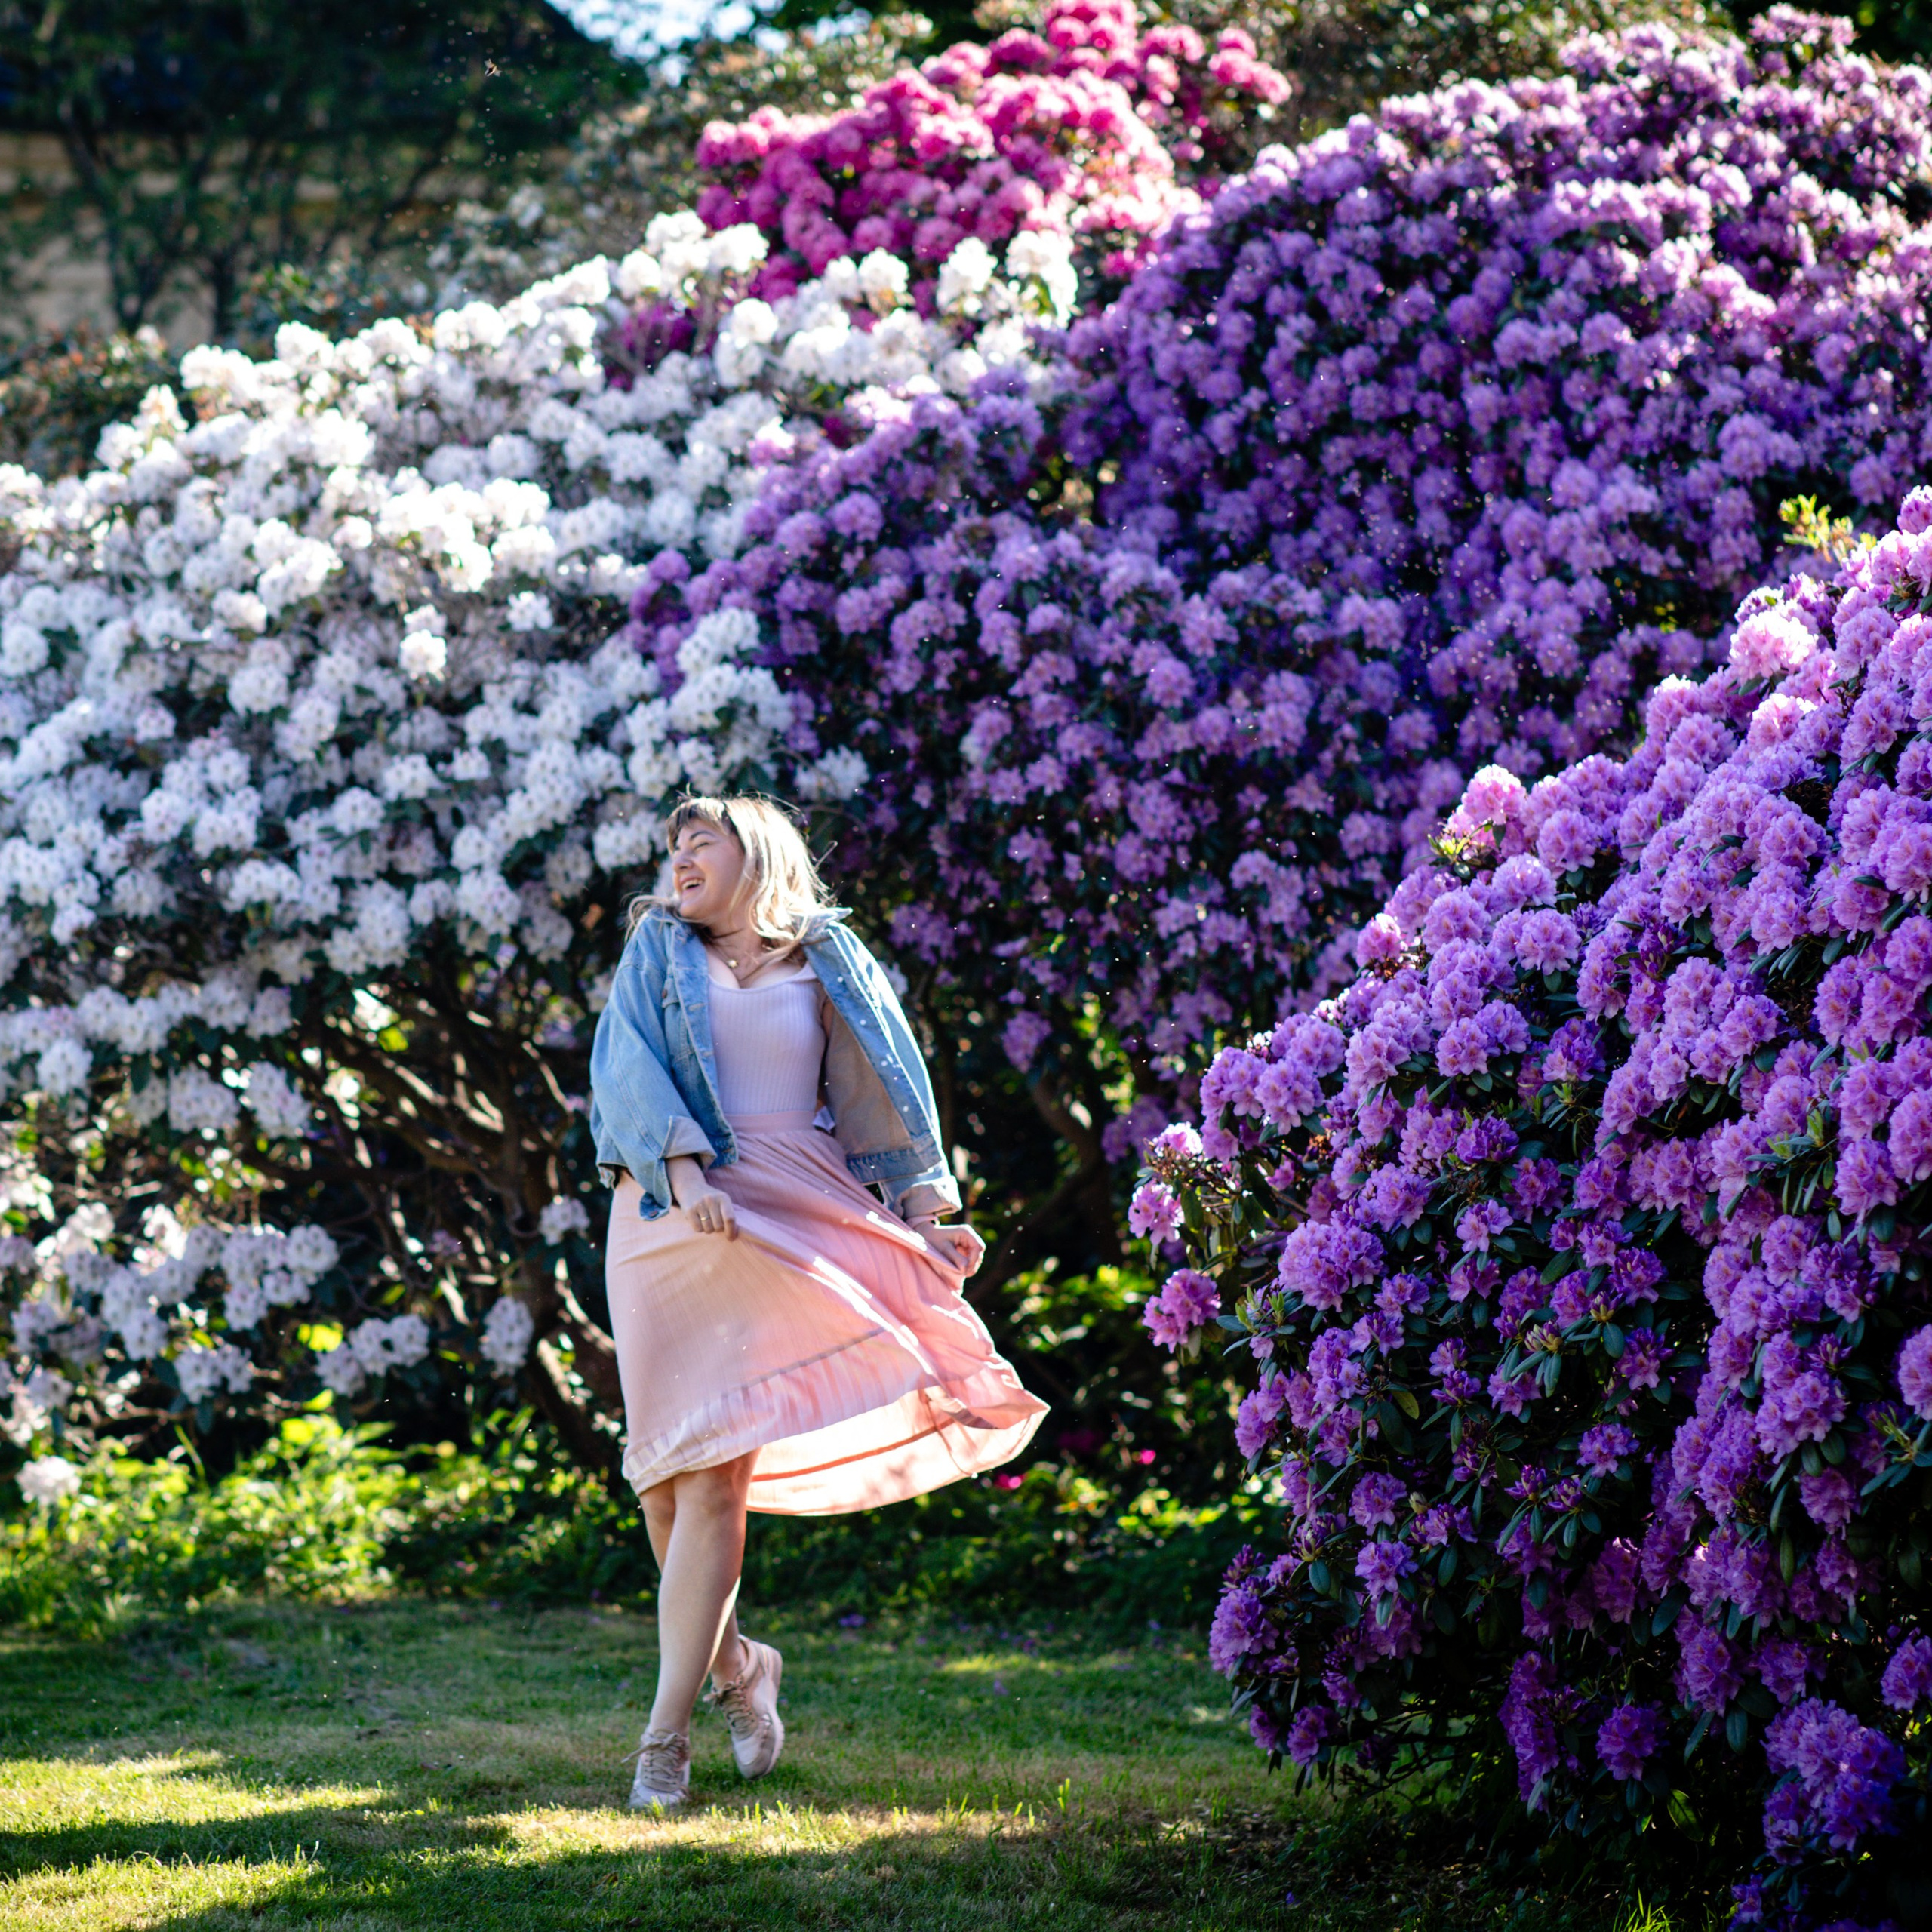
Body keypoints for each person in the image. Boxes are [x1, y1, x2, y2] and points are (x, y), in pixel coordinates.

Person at [588, 795, 1046, 1810]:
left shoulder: (828, 957)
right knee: (666, 1485)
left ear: (758, 855)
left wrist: (928, 1209)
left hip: (787, 1209)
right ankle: (744, 1671)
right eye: (674, 847)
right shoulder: (656, 953)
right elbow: (624, 1072)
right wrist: (690, 1172)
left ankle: (664, 1742)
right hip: (669, 1213)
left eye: (699, 841)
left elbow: (888, 1085)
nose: (680, 859)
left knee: (712, 1483)